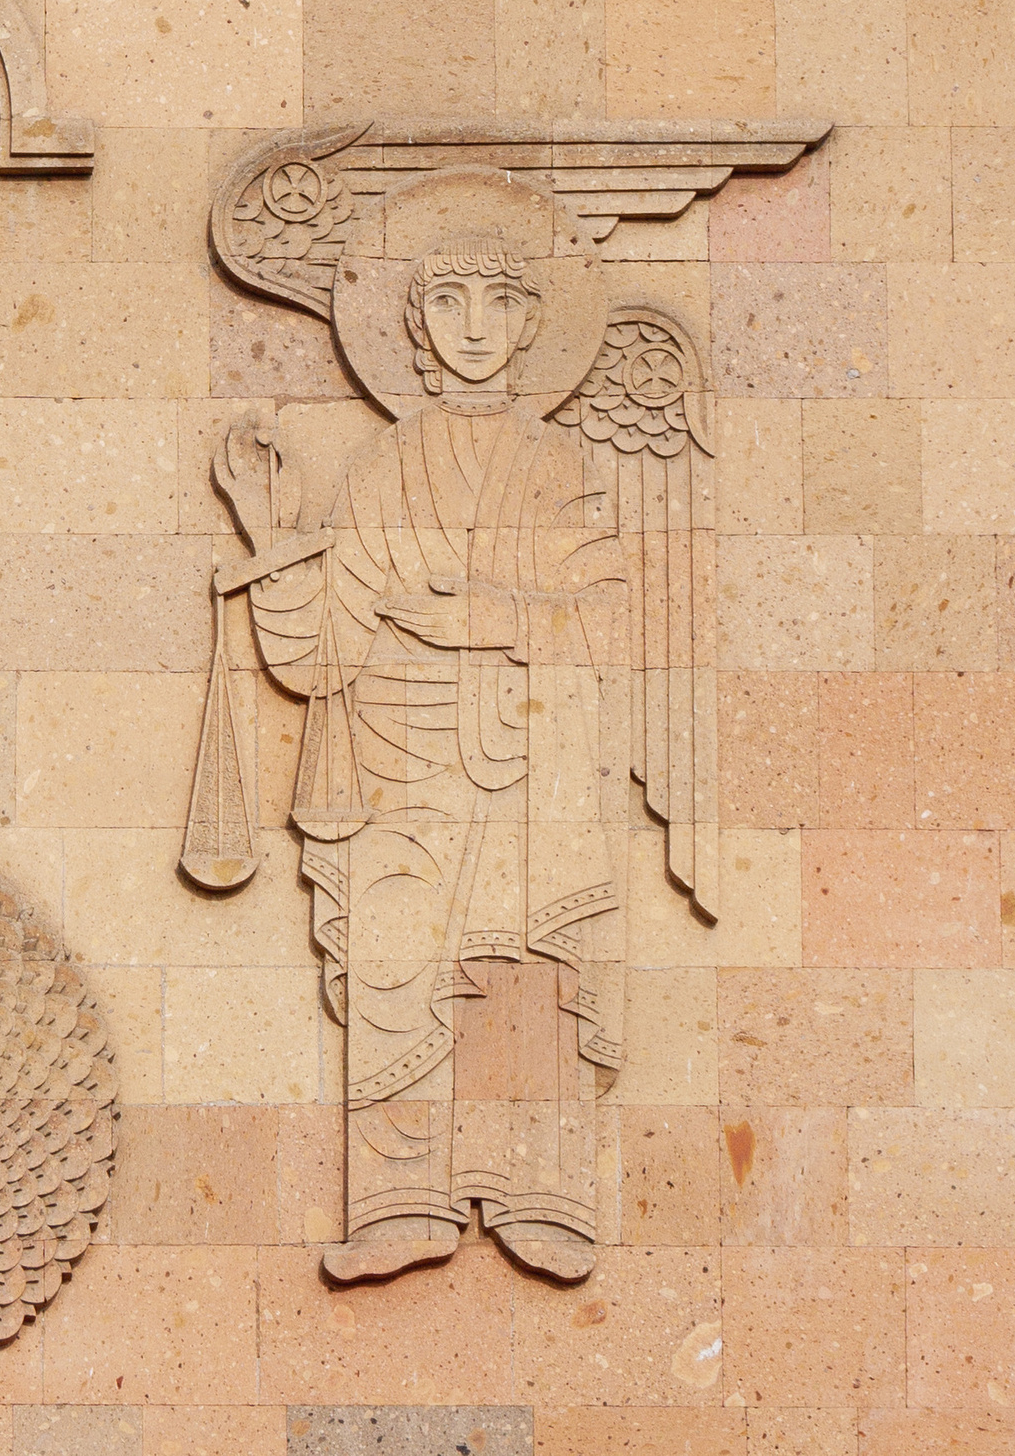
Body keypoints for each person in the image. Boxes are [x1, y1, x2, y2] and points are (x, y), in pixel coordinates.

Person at [239, 248, 625, 1283]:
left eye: (496, 299)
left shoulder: (557, 464)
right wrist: (273, 534)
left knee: (523, 964)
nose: (470, 324)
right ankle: (399, 1202)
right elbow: (325, 647)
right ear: (415, 327)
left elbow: (609, 615)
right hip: (394, 757)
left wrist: (489, 617)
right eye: (447, 300)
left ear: (527, 323)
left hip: (523, 745)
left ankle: (538, 1192)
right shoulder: (380, 466)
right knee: (395, 957)